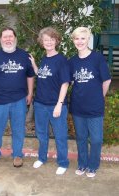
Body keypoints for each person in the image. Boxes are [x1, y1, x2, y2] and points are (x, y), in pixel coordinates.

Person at [0, 27, 35, 167]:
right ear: (0, 39)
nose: (8, 39)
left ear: (15, 38)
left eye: (10, 36)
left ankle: (17, 155)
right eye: (5, 37)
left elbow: (30, 76)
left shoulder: (25, 56)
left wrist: (30, 93)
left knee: (18, 129)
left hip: (19, 100)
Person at [69, 27, 111, 178]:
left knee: (96, 139)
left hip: (95, 107)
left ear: (88, 40)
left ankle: (93, 165)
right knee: (81, 138)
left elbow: (106, 80)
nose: (79, 41)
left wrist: (100, 97)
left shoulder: (97, 58)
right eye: (76, 38)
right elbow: (70, 81)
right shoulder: (72, 61)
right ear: (73, 40)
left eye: (82, 38)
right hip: (78, 107)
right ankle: (82, 163)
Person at [29, 27, 70, 175]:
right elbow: (43, 75)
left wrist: (59, 104)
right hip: (40, 104)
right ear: (42, 42)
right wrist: (34, 65)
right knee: (41, 133)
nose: (49, 42)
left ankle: (63, 162)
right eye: (46, 40)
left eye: (52, 39)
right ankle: (42, 157)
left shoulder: (62, 60)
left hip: (55, 105)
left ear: (57, 41)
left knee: (60, 135)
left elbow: (65, 83)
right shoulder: (45, 58)